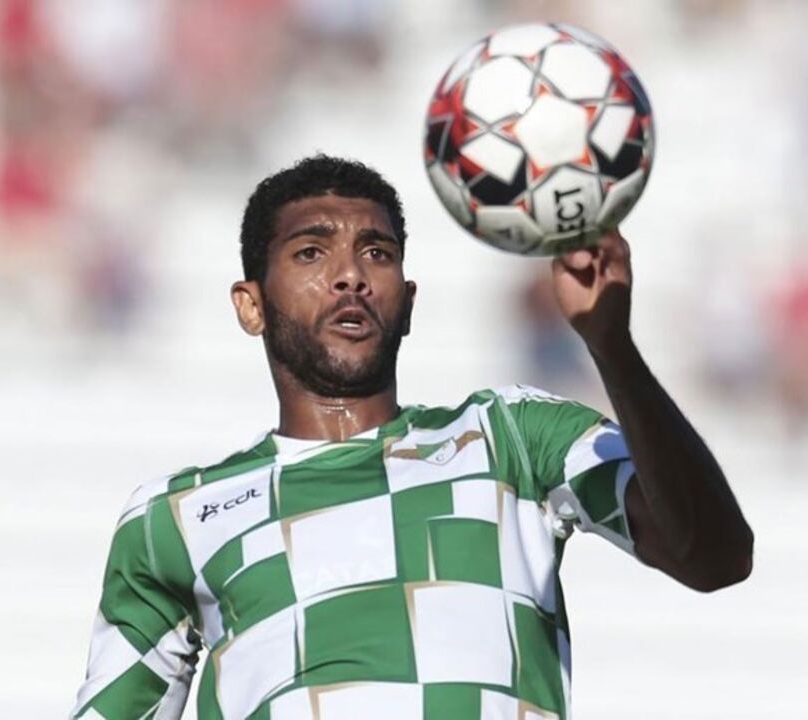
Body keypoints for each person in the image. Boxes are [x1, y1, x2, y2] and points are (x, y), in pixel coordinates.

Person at [71, 156, 753, 719]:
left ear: (409, 301)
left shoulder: (511, 438)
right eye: (311, 252)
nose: (351, 275)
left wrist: (612, 346)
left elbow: (714, 557)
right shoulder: (176, 516)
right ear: (251, 305)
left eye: (377, 253)